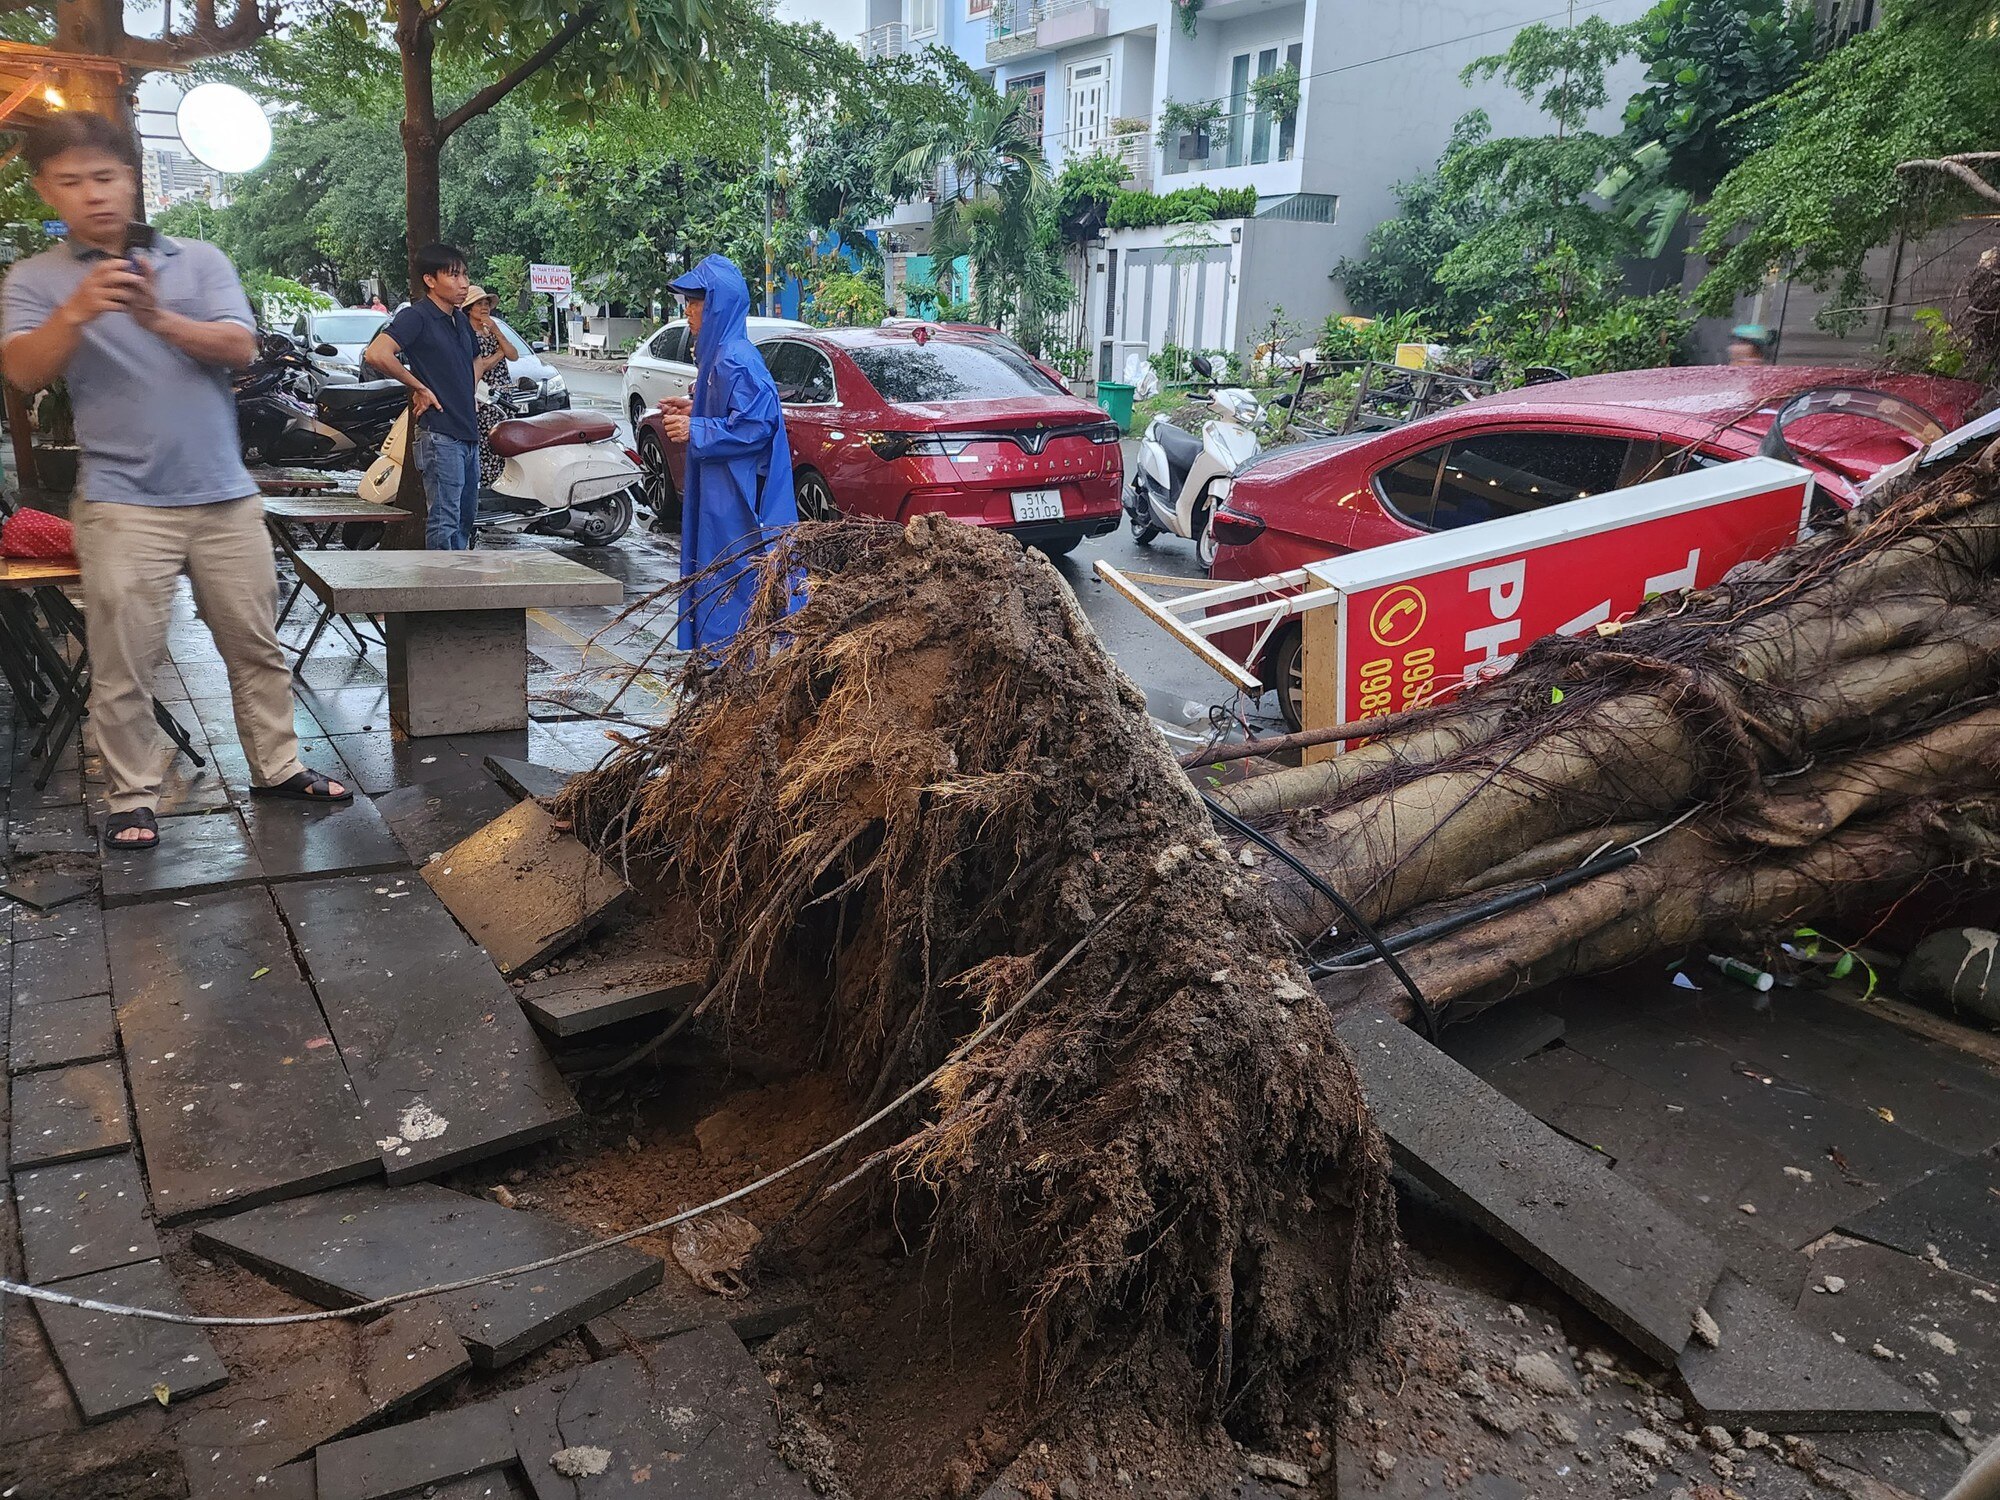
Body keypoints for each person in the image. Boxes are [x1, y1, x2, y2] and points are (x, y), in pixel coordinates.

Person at [0, 111, 350, 851]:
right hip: (122, 503)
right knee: (127, 661)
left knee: (255, 646)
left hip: (223, 494)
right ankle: (131, 796)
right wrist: (80, 308)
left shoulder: (199, 259)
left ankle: (278, 765)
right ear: (44, 190)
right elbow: (25, 370)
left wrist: (158, 317)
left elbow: (238, 344)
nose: (93, 194)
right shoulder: (33, 280)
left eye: (105, 176)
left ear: (131, 178)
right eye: (71, 182)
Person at [654, 254, 797, 651]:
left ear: (717, 304)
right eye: (687, 302)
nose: (688, 313)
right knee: (719, 575)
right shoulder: (719, 355)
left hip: (737, 500)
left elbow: (756, 424)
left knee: (733, 578)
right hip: (720, 496)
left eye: (695, 302)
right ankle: (722, 664)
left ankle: (733, 668)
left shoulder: (736, 357)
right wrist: (694, 409)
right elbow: (731, 411)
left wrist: (696, 427)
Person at [362, 245, 481, 550]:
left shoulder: (460, 319)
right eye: (453, 275)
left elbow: (473, 362)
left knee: (466, 519)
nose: (463, 283)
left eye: (464, 274)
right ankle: (442, 593)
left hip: (468, 433)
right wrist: (419, 387)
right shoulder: (417, 317)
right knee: (445, 519)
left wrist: (467, 391)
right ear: (430, 280)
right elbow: (377, 353)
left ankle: (458, 585)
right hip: (440, 436)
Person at [466, 285, 520, 487]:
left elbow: (513, 354)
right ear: (469, 308)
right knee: (488, 441)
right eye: (479, 304)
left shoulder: (492, 330)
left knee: (506, 440)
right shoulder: (468, 334)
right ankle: (488, 483)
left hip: (503, 395)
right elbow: (480, 365)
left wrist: (497, 332)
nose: (484, 307)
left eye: (486, 303)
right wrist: (499, 354)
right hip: (484, 395)